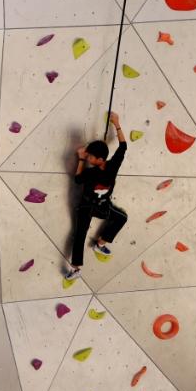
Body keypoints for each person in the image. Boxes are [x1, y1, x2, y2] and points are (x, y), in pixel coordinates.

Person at [65, 112, 129, 281]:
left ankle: (100, 243)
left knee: (122, 218)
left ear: (100, 159)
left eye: (90, 156)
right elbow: (123, 146)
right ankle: (76, 268)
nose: (88, 157)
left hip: (99, 206)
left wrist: (80, 160)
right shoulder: (112, 165)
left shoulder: (91, 173)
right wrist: (116, 123)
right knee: (80, 234)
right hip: (90, 207)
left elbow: (77, 179)